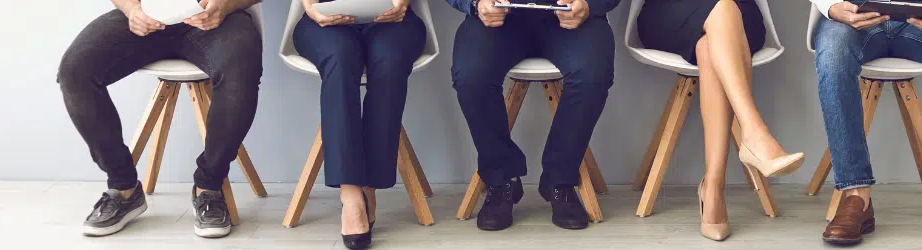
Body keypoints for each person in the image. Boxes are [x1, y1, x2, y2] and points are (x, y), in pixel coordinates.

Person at [58, 0, 262, 238]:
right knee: (75, 71)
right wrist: (131, 9)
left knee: (241, 72)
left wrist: (225, 5)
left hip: (219, 17)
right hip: (148, 14)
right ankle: (123, 187)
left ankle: (209, 186)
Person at [809, 0, 922, 247]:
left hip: (919, 18)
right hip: (853, 16)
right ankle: (856, 195)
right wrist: (830, 6)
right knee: (833, 54)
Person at [636, 0, 805, 241]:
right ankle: (754, 133)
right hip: (669, 12)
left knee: (712, 40)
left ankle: (713, 187)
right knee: (719, 16)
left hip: (738, 15)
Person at [446, 0, 619, 231]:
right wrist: (475, 4)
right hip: (501, 17)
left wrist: (590, 5)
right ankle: (501, 177)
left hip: (570, 14)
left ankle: (560, 179)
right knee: (470, 76)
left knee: (593, 75)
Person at [291, 0, 426, 248]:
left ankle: (370, 186)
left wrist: (401, 3)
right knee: (340, 59)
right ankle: (351, 193)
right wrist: (310, 8)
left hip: (393, 20)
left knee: (389, 60)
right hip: (325, 23)